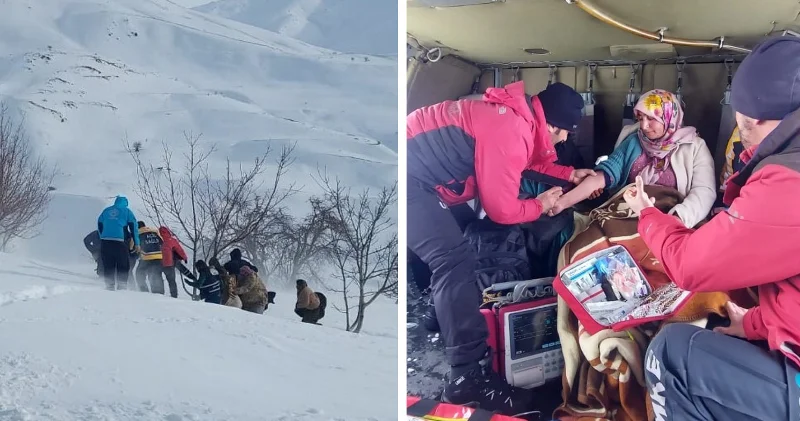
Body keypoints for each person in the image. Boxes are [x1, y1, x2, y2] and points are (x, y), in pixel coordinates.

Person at [622, 36, 800, 420]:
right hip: (653, 223)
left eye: (654, 116)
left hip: (670, 224)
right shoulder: (629, 142)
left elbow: (701, 205)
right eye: (642, 116)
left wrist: (650, 215)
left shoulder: (785, 178)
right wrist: (753, 324)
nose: (646, 124)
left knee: (669, 351)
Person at [406, 80, 596, 413]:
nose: (564, 138)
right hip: (410, 181)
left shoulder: (515, 118)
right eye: (564, 130)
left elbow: (520, 160)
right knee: (455, 260)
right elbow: (502, 209)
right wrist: (537, 204)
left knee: (460, 241)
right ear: (550, 123)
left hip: (421, 176)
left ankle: (442, 316)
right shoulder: (510, 128)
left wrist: (568, 175)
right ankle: (467, 378)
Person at [550, 89, 716, 228]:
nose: (644, 126)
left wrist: (678, 219)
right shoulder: (633, 140)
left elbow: (704, 192)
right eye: (640, 118)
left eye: (651, 118)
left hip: (676, 218)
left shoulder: (695, 147)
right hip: (630, 217)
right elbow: (602, 176)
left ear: (668, 117)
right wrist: (562, 203)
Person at [97, 196, 140, 290]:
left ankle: (109, 285)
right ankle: (122, 285)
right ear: (126, 204)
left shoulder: (106, 211)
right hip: (120, 242)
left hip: (105, 241)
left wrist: (102, 236)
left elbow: (99, 223)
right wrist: (137, 243)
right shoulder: (127, 211)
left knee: (108, 264)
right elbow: (134, 227)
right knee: (123, 263)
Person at [158, 226, 191, 298]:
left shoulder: (158, 239)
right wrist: (184, 257)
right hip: (169, 263)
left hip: (159, 263)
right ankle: (174, 296)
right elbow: (179, 250)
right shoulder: (172, 240)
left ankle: (159, 294)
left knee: (158, 278)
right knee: (172, 281)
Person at [134, 221, 163, 292]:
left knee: (139, 274)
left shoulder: (137, 233)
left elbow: (133, 247)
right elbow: (162, 242)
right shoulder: (155, 232)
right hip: (159, 257)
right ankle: (159, 293)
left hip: (147, 257)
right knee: (156, 275)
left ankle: (144, 291)